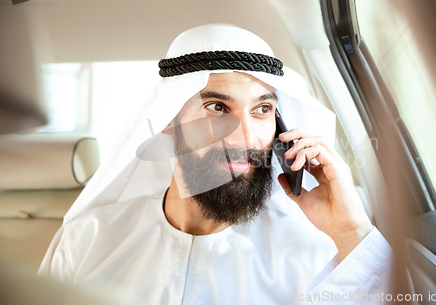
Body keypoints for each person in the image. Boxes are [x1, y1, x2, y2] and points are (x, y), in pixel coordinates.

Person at [39, 24, 394, 304]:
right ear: (168, 118)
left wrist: (353, 235)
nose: (246, 138)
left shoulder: (317, 254)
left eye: (262, 110)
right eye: (218, 108)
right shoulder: (87, 242)